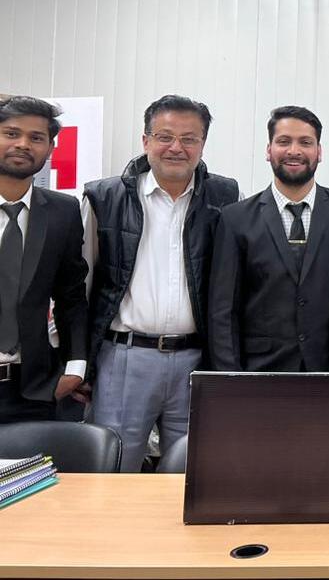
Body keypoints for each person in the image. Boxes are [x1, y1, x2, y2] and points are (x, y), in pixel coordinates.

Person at [82, 95, 239, 470]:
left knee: (193, 474)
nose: (176, 148)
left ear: (203, 144)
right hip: (125, 358)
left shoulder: (227, 198)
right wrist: (78, 363)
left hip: (197, 362)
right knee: (115, 469)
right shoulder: (103, 198)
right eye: (165, 136)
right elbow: (80, 288)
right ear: (145, 140)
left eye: (189, 138)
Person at [207, 106, 329, 372]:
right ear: (269, 150)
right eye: (283, 141)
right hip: (259, 371)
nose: (294, 151)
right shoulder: (235, 218)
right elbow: (223, 309)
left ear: (319, 151)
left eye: (305, 142)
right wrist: (230, 379)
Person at [0, 96, 89, 423]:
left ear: (50, 147)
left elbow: (71, 296)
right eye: (11, 133)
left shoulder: (63, 212)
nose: (23, 144)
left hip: (33, 390)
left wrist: (76, 368)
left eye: (36, 137)